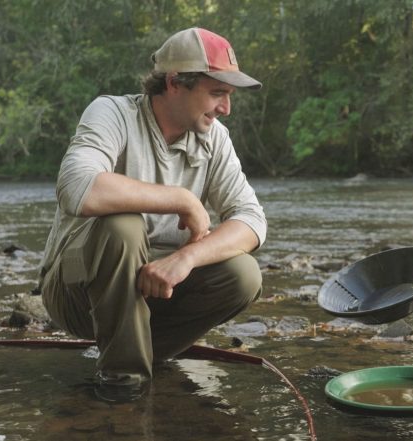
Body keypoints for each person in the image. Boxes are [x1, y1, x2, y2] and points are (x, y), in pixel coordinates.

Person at [38, 28, 267, 403]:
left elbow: (252, 220)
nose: (226, 108)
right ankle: (124, 383)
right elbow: (76, 185)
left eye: (228, 96)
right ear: (175, 82)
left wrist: (186, 257)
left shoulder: (215, 138)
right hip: (76, 293)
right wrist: (181, 199)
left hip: (153, 293)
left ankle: (137, 350)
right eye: (217, 93)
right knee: (123, 224)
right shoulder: (112, 112)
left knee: (244, 274)